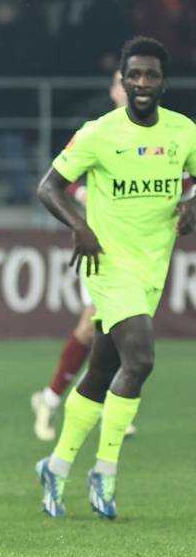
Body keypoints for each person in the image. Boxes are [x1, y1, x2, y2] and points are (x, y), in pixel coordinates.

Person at [34, 36, 195, 519]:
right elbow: (48, 187)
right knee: (140, 359)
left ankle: (56, 466)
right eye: (135, 75)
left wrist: (191, 203)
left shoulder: (184, 132)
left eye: (151, 75)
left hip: (152, 266)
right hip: (108, 263)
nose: (142, 83)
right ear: (122, 81)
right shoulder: (98, 133)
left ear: (163, 81)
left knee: (102, 370)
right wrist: (81, 227)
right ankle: (104, 472)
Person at [31, 71, 131, 441]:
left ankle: (74, 399)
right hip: (99, 246)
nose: (129, 87)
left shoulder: (157, 137)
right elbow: (62, 176)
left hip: (136, 249)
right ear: (113, 90)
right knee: (97, 325)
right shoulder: (99, 132)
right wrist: (82, 194)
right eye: (123, 80)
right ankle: (53, 398)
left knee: (115, 329)